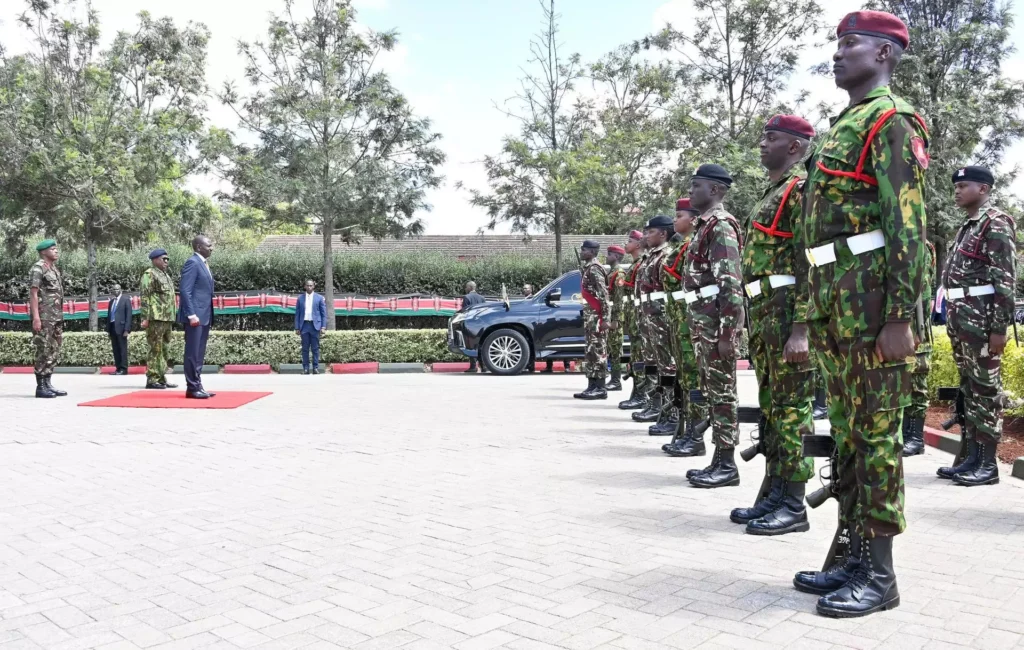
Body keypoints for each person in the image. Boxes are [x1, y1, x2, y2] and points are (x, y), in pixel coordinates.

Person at [793, 11, 928, 618]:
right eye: (837, 44)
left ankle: (881, 576)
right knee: (849, 438)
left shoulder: (891, 121)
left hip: (873, 308)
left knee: (875, 439)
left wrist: (901, 315)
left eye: (850, 45)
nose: (838, 54)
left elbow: (907, 226)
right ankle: (850, 555)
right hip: (837, 306)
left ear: (885, 55)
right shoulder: (841, 126)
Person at [730, 115, 816, 535]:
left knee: (793, 408)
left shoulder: (800, 192)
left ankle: (795, 503)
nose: (763, 144)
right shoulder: (773, 192)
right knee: (773, 408)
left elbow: (809, 262)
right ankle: (777, 492)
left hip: (786, 313)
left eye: (772, 138)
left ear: (796, 147)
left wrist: (801, 328)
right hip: (766, 310)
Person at [937, 166, 1016, 486]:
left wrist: (999, 328)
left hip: (982, 321)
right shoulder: (968, 225)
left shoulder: (995, 223)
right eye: (955, 186)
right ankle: (971, 458)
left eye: (964, 185)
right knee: (970, 389)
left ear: (983, 189)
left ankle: (988, 465)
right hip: (962, 318)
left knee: (986, 390)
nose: (957, 191)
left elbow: (1005, 280)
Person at [682, 164, 744, 489]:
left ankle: (727, 465)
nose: (691, 191)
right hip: (704, 323)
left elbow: (731, 286)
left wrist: (727, 333)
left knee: (722, 394)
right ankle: (718, 461)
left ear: (715, 190)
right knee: (713, 391)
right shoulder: (704, 226)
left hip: (715, 325)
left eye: (697, 186)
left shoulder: (719, 226)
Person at [662, 198, 709, 456]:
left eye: (678, 215)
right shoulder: (683, 246)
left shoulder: (694, 243)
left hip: (690, 318)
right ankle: (687, 429)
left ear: (692, 219)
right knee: (684, 376)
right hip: (679, 318)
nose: (674, 220)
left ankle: (696, 433)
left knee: (694, 379)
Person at [633, 216, 678, 430]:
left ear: (663, 234)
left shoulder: (666, 255)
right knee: (657, 365)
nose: (646, 236)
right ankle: (659, 405)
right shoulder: (652, 256)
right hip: (650, 317)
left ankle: (672, 413)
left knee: (668, 366)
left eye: (651, 232)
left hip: (662, 318)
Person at [903, 240, 936, 456]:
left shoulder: (918, 245)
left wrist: (918, 330)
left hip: (914, 327)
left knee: (916, 384)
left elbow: (922, 287)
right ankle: (905, 434)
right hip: (901, 327)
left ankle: (915, 438)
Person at [178, 235, 217, 399]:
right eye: (208, 245)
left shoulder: (203, 263)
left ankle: (198, 385)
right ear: (199, 247)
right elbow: (185, 290)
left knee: (199, 352)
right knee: (192, 352)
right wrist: (191, 314)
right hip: (195, 316)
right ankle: (192, 388)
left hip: (204, 315)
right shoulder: (193, 263)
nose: (211, 248)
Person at [618, 231, 651, 410]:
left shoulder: (641, 264)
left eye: (630, 241)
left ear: (638, 244)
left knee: (640, 358)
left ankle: (641, 395)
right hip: (634, 317)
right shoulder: (635, 265)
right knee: (636, 356)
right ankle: (638, 393)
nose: (626, 243)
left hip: (640, 317)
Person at [29, 239, 65, 398]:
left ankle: (48, 382)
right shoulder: (38, 269)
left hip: (55, 316)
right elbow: (33, 293)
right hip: (44, 317)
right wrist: (36, 317)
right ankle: (40, 386)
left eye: (56, 249)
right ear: (44, 252)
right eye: (52, 249)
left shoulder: (54, 269)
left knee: (54, 349)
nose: (56, 251)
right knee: (43, 349)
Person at [574, 240, 610, 399]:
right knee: (590, 351)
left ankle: (600, 388)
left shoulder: (595, 269)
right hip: (591, 317)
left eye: (584, 250)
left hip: (597, 317)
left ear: (592, 252)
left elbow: (604, 295)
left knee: (598, 351)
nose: (581, 252)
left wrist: (606, 318)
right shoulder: (587, 268)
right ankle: (592, 385)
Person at [140, 249, 178, 390]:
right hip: (155, 317)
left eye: (167, 259)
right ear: (155, 260)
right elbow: (145, 297)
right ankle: (152, 379)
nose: (166, 261)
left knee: (165, 348)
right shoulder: (149, 274)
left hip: (166, 317)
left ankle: (161, 377)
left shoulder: (165, 275)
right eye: (164, 259)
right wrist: (145, 317)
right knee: (155, 348)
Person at [605, 245, 628, 391]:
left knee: (615, 349)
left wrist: (616, 320)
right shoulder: (610, 273)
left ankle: (616, 380)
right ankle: (613, 378)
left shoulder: (619, 274)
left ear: (617, 257)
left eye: (609, 254)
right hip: (609, 314)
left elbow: (619, 299)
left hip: (615, 316)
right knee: (611, 348)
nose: (606, 257)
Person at [295, 279, 328, 375]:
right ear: (305, 286)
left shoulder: (319, 298)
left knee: (315, 348)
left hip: (315, 326)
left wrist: (323, 326)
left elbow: (323, 314)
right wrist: (297, 327)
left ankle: (315, 368)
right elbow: (297, 314)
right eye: (307, 285)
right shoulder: (300, 298)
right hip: (304, 325)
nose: (309, 287)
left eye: (311, 285)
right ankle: (305, 369)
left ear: (314, 286)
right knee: (305, 348)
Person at [105, 284, 132, 375]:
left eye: (117, 289)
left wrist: (127, 329)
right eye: (114, 289)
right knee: (115, 349)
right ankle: (118, 368)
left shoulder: (126, 300)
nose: (115, 291)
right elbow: (109, 316)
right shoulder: (111, 302)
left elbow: (128, 315)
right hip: (113, 327)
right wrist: (108, 329)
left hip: (121, 328)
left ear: (121, 290)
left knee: (122, 349)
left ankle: (124, 369)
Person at [462, 281, 486, 373]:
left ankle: (473, 366)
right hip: (481, 324)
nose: (465, 288)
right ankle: (483, 366)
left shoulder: (467, 297)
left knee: (471, 345)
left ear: (470, 288)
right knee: (481, 344)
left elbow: (465, 312)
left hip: (470, 325)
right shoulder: (482, 298)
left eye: (466, 287)